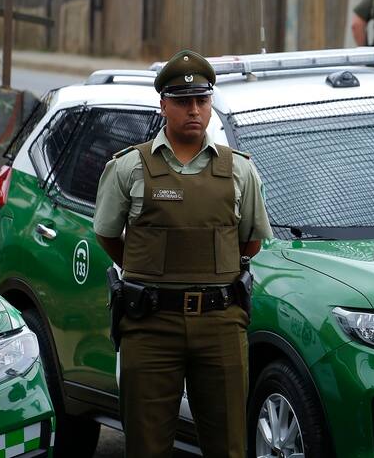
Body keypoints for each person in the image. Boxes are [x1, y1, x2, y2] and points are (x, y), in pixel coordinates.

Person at [93, 49, 273, 458]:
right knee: (146, 444)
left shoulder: (240, 169)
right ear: (164, 105)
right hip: (150, 324)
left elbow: (250, 243)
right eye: (182, 101)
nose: (194, 109)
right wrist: (145, 268)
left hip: (221, 325)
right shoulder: (129, 168)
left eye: (202, 101)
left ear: (210, 104)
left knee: (228, 444)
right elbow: (107, 234)